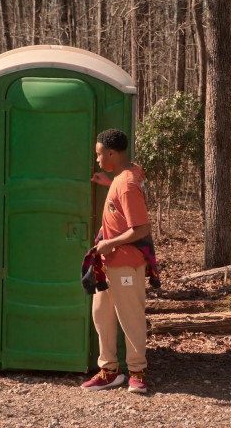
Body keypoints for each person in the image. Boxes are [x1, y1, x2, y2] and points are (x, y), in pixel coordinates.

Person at [81, 128, 150, 394]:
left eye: (99, 154)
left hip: (126, 262)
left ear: (111, 153)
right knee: (102, 315)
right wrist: (109, 184)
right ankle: (109, 371)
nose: (97, 159)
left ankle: (137, 373)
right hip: (109, 263)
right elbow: (126, 199)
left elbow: (141, 228)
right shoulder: (126, 174)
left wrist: (109, 243)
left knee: (130, 318)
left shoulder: (128, 183)